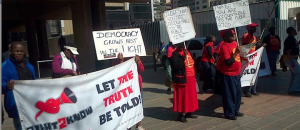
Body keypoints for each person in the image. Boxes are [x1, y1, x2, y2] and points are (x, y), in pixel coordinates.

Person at [2, 41, 37, 130]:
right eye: (16, 51)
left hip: (30, 103)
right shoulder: (4, 67)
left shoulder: (29, 65)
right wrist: (6, 86)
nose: (19, 53)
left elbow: (35, 82)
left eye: (21, 51)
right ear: (10, 52)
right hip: (16, 105)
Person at [113, 53, 145, 130]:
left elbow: (142, 69)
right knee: (127, 107)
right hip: (125, 88)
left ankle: (139, 125)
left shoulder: (135, 57)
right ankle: (127, 126)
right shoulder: (116, 58)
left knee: (139, 105)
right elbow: (116, 71)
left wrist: (138, 62)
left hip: (136, 85)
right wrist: (120, 61)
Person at [218, 29, 244, 120]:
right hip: (228, 75)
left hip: (236, 74)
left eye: (233, 34)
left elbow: (238, 56)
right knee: (229, 95)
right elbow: (228, 62)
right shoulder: (224, 46)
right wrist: (236, 52)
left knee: (237, 94)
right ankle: (229, 113)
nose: (233, 35)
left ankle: (236, 110)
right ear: (224, 37)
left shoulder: (235, 43)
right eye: (229, 34)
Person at [170, 43, 198, 122]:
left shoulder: (187, 51)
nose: (181, 46)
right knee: (182, 97)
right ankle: (180, 115)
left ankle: (189, 112)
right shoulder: (175, 54)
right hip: (182, 79)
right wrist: (183, 56)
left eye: (182, 45)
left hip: (191, 77)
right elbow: (177, 65)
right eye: (180, 45)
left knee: (190, 96)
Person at [242, 22, 262, 97]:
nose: (255, 29)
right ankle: (247, 91)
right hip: (247, 58)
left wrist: (260, 45)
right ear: (249, 28)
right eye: (253, 27)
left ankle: (253, 89)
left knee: (255, 74)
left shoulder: (254, 37)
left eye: (255, 27)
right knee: (248, 74)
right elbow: (245, 47)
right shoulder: (246, 36)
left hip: (254, 57)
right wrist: (255, 43)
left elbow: (255, 47)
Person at [283, 27, 300, 94]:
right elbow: (288, 51)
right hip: (290, 59)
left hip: (292, 59)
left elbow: (294, 46)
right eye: (294, 30)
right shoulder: (289, 39)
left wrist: (298, 43)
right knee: (299, 73)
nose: (295, 31)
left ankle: (291, 88)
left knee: (294, 74)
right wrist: (291, 62)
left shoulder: (292, 39)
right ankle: (295, 89)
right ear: (291, 31)